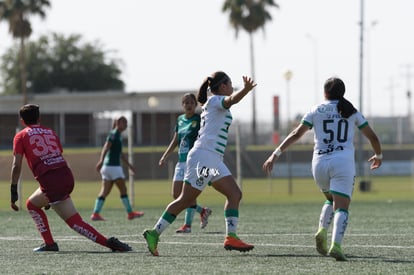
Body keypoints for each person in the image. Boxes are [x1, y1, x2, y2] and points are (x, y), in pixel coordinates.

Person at [262, 77, 383, 261]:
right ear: (342, 93)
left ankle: (321, 230)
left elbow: (296, 134)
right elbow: (373, 137)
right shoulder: (351, 111)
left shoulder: (316, 110)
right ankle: (336, 245)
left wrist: (275, 154)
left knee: (330, 198)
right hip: (342, 163)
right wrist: (378, 155)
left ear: (324, 92)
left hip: (319, 164)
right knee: (342, 206)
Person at [143, 71, 256, 256]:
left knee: (234, 194)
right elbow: (231, 101)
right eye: (229, 84)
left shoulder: (213, 103)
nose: (231, 86)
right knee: (185, 200)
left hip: (213, 158)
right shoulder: (214, 101)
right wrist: (245, 89)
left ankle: (231, 237)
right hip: (204, 157)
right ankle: (154, 233)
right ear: (222, 87)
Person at [10, 104, 132, 252]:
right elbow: (57, 155)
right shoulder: (50, 132)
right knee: (32, 204)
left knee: (74, 222)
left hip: (51, 181)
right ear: (39, 118)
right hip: (66, 175)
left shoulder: (20, 136)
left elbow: (16, 166)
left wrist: (13, 190)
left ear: (22, 121)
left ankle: (109, 243)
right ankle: (49, 243)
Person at [158, 93, 212, 233]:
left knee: (187, 195)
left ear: (195, 105)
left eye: (191, 102)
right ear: (182, 105)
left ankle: (187, 225)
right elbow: (175, 140)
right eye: (186, 102)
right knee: (177, 194)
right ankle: (202, 211)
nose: (188, 105)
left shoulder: (199, 119)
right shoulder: (180, 119)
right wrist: (165, 156)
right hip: (181, 162)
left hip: (193, 161)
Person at [90, 116, 144, 221]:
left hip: (108, 168)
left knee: (105, 191)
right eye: (125, 123)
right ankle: (130, 213)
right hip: (113, 167)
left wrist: (129, 165)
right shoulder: (114, 134)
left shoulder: (118, 135)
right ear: (119, 123)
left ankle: (95, 213)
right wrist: (100, 161)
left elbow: (120, 154)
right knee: (123, 189)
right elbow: (106, 147)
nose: (126, 125)